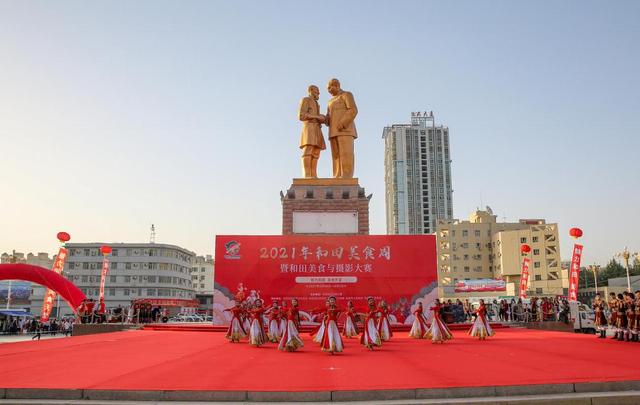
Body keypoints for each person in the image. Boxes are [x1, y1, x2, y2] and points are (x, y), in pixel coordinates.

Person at [325, 78, 358, 179]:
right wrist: (324, 119)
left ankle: (346, 176)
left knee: (346, 153)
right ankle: (337, 175)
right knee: (336, 156)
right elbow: (328, 116)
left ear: (337, 85)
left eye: (330, 87)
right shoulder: (330, 101)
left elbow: (353, 110)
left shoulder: (346, 95)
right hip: (333, 131)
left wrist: (343, 122)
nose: (329, 90)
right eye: (328, 89)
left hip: (345, 130)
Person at [298, 84, 326, 178]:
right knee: (308, 150)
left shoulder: (316, 104)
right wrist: (316, 117)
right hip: (309, 127)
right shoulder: (306, 100)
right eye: (316, 91)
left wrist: (322, 118)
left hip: (317, 128)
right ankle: (307, 175)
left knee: (316, 151)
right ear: (311, 90)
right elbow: (301, 116)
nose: (318, 93)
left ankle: (313, 175)